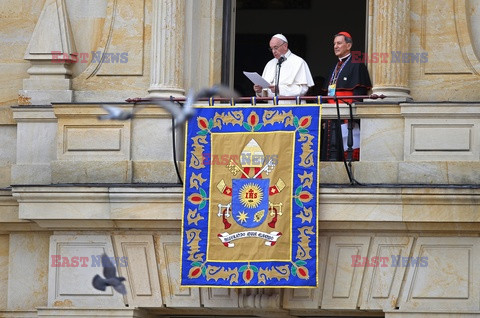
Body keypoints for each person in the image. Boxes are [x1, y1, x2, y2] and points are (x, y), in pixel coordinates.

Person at [321, 31, 372, 161]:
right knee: (331, 150)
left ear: (348, 46)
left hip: (346, 116)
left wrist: (351, 117)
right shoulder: (335, 66)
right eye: (334, 44)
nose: (335, 46)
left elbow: (359, 92)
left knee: (347, 152)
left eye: (339, 43)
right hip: (332, 115)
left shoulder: (357, 64)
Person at [253, 34, 314, 98]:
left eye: (276, 48)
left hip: (292, 106)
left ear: (285, 46)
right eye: (271, 49)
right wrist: (259, 91)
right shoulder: (270, 64)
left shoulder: (298, 62)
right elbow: (265, 96)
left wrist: (280, 89)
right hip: (272, 107)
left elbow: (303, 90)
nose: (273, 51)